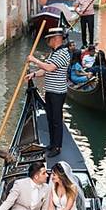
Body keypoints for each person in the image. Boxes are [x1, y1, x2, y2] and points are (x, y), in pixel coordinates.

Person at [27, 27, 69, 157]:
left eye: (49, 39)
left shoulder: (63, 53)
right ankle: (52, 144)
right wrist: (33, 74)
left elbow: (50, 68)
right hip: (50, 91)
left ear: (56, 39)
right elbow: (45, 71)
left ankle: (57, 147)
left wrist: (35, 60)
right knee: (50, 119)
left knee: (56, 120)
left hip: (58, 93)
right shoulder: (54, 53)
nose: (47, 42)